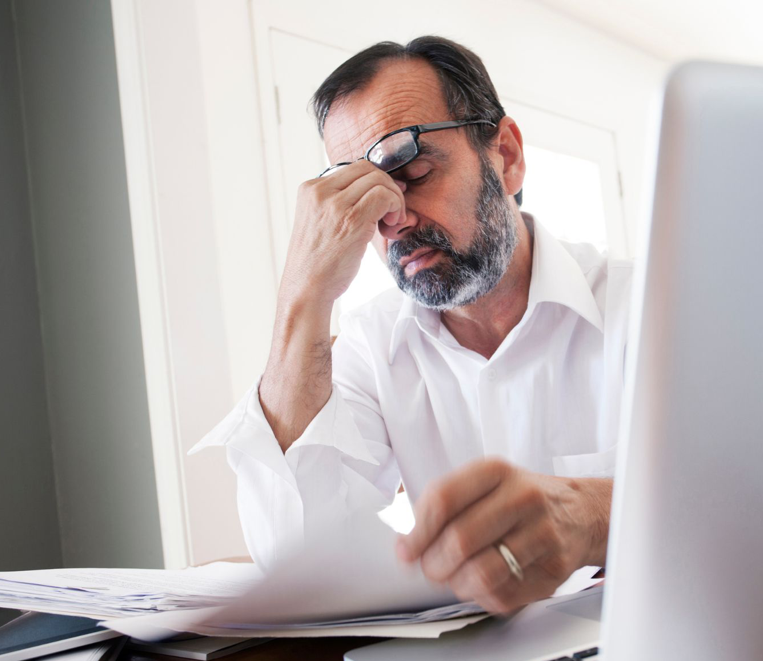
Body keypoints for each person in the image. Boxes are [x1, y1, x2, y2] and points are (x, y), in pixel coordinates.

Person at [196, 36, 634, 614]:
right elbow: (299, 552)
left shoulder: (654, 307)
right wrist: (303, 293)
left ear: (505, 154)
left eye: (415, 171)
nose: (392, 219)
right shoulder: (367, 348)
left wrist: (596, 514)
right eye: (360, 197)